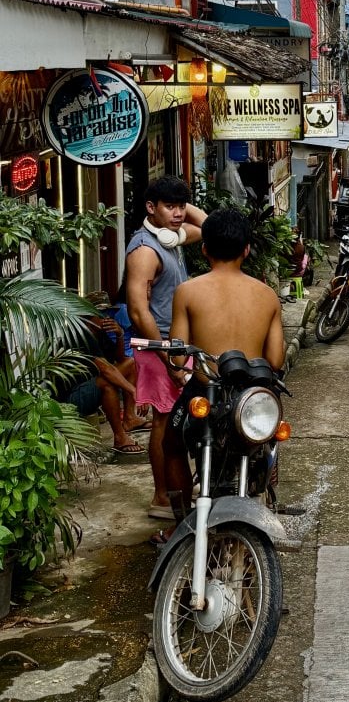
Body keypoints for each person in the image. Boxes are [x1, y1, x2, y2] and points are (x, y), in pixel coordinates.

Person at [158, 209, 284, 537]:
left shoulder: (188, 291)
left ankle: (181, 523)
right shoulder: (267, 295)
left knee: (171, 444)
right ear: (247, 250)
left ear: (204, 249)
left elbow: (177, 356)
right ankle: (265, 475)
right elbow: (275, 359)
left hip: (206, 390)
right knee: (269, 433)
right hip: (251, 394)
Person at [126, 176, 207, 520]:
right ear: (150, 207)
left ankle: (175, 489)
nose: (178, 214)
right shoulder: (145, 250)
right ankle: (162, 496)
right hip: (158, 344)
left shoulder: (170, 238)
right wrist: (167, 357)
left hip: (175, 344)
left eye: (180, 207)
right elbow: (137, 310)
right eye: (169, 206)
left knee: (177, 418)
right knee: (164, 420)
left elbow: (208, 228)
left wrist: (181, 206)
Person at [55, 301, 144, 455]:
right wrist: (134, 391)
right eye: (102, 315)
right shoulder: (79, 334)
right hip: (68, 399)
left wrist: (120, 335)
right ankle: (120, 437)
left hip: (88, 386)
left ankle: (130, 418)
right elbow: (106, 369)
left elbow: (120, 359)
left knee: (131, 363)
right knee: (106, 383)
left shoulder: (99, 333)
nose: (107, 318)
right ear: (88, 316)